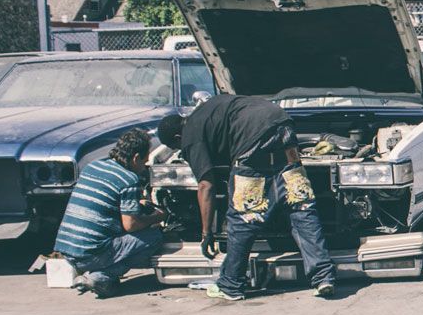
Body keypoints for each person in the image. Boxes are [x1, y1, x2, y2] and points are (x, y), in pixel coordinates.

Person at [156, 96, 335, 301]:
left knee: (243, 219)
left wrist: (206, 232)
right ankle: (323, 278)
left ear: (178, 137)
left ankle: (231, 285)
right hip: (283, 123)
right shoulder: (208, 110)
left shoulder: (190, 136)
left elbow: (206, 185)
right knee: (300, 208)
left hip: (253, 142)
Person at [54, 129, 165, 298]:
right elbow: (131, 225)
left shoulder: (93, 166)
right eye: (144, 161)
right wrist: (157, 216)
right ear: (135, 158)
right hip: (91, 253)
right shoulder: (129, 179)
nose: (144, 167)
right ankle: (102, 277)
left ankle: (95, 276)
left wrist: (137, 205)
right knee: (154, 237)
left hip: (68, 249)